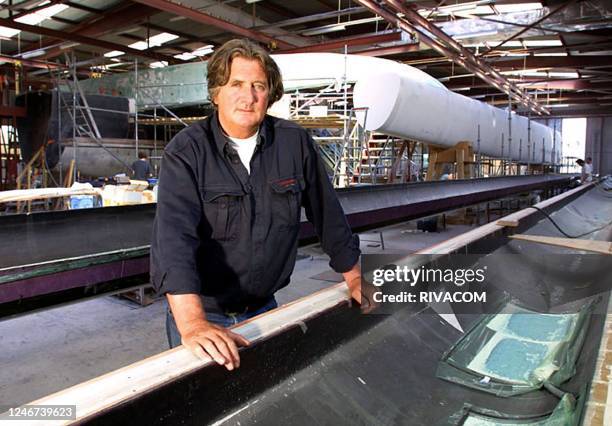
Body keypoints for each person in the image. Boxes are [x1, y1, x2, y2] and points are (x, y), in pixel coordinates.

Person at [150, 39, 366, 371]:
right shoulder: (186, 151)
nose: (248, 97)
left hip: (265, 309)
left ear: (270, 94)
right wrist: (192, 323)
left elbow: (328, 215)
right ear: (216, 91)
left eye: (258, 86)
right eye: (236, 84)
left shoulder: (294, 143)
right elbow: (173, 239)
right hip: (205, 312)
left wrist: (354, 277)